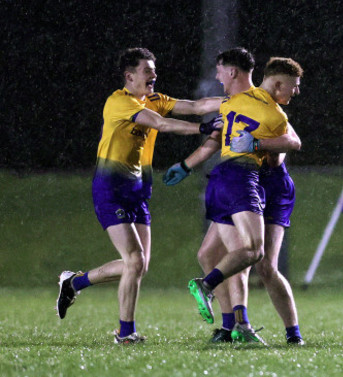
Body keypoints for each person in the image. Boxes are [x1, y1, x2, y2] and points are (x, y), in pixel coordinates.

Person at [56, 47, 224, 344]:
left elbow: (197, 105)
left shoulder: (155, 100)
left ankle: (74, 282)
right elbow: (160, 123)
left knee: (139, 265)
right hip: (110, 190)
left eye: (153, 70)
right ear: (129, 76)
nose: (153, 75)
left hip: (137, 190)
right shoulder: (118, 102)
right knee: (134, 260)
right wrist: (203, 127)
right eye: (147, 70)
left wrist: (236, 101)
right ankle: (125, 333)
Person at [164, 48, 304, 345]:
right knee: (227, 254)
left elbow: (292, 141)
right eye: (295, 86)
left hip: (270, 186)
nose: (298, 92)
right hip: (241, 180)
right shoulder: (237, 103)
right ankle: (234, 325)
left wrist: (257, 142)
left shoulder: (266, 107)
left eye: (219, 71)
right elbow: (204, 118)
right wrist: (186, 165)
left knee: (262, 264)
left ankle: (280, 332)